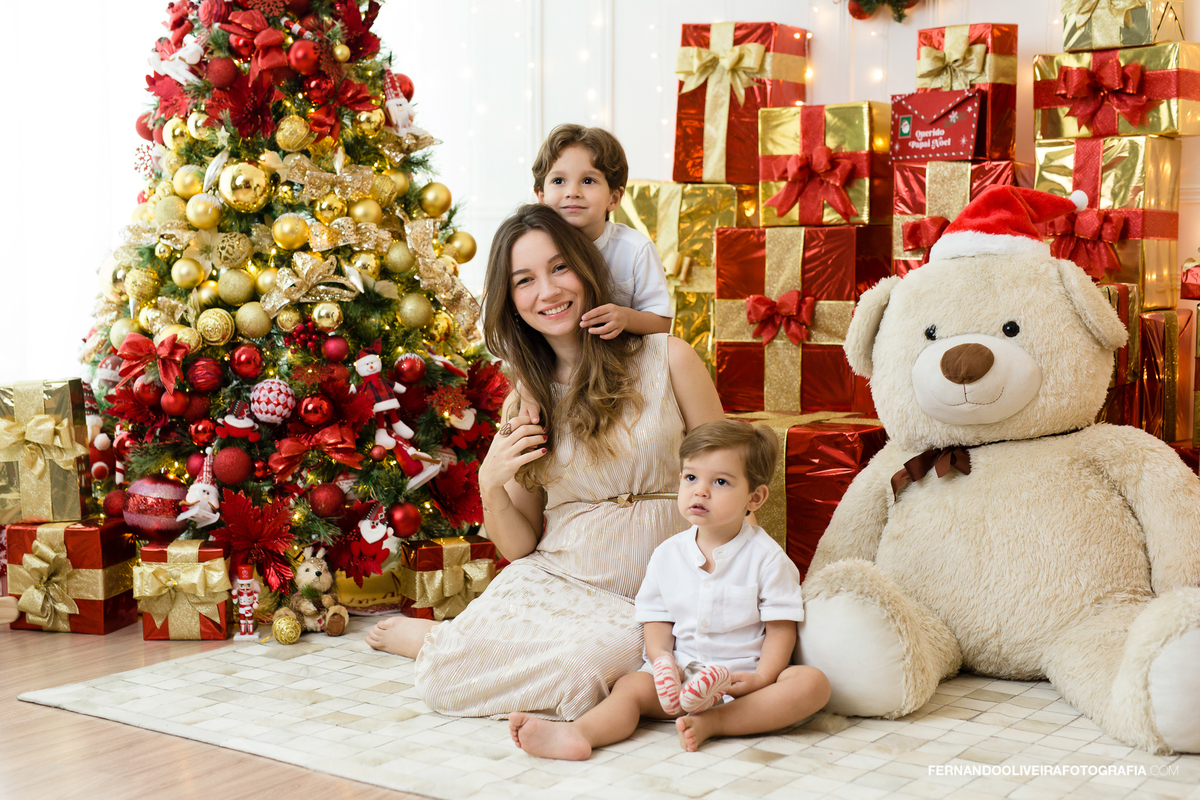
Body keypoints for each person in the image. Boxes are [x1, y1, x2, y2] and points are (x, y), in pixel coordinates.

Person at [366, 203, 725, 722]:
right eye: (524, 280)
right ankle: (448, 643)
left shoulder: (667, 357)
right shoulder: (526, 402)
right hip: (556, 576)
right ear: (512, 302)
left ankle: (451, 638)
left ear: (585, 269)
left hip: (648, 600)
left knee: (582, 670)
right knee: (440, 680)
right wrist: (492, 481)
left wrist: (745, 575)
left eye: (559, 268)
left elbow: (730, 473)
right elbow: (520, 543)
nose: (548, 292)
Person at [508, 420, 830, 758]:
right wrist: (663, 660)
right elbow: (657, 620)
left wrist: (763, 678)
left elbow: (781, 629)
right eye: (691, 478)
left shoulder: (768, 559)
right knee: (629, 687)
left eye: (720, 482)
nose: (700, 491)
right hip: (678, 680)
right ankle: (578, 733)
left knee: (812, 683)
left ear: (755, 497)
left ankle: (716, 722)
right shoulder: (667, 554)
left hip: (740, 682)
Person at [532, 123, 672, 341]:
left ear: (614, 198)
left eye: (588, 181)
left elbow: (662, 322)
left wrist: (626, 318)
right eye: (558, 181)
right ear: (541, 195)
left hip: (623, 363)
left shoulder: (636, 250)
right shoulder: (531, 249)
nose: (572, 192)